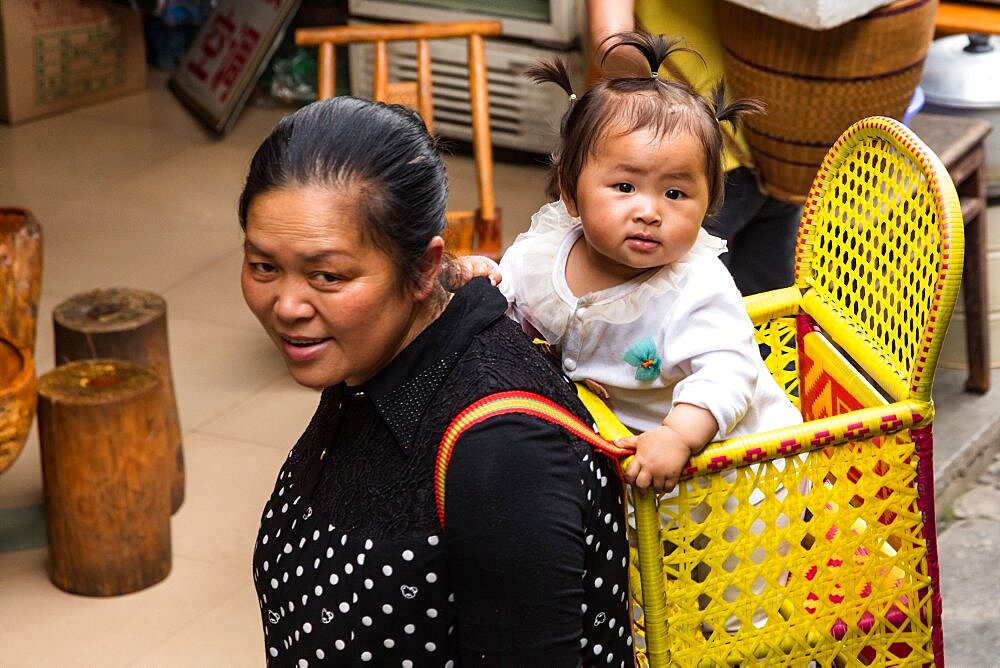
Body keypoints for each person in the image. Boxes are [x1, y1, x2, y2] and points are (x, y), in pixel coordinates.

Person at [240, 96, 634, 666]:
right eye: (263, 267)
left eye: (328, 275)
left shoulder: (503, 448)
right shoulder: (368, 354)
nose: (287, 305)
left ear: (424, 268)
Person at [481, 32, 802, 494]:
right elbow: (505, 300)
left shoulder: (695, 285)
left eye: (675, 193)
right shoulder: (543, 252)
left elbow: (730, 370)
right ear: (570, 192)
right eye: (625, 187)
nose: (649, 211)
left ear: (709, 204)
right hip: (611, 447)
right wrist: (479, 278)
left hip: (724, 473)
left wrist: (678, 434)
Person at [586, 0, 801, 297]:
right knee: (764, 310)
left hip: (692, 153)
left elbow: (613, 44)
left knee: (679, 302)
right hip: (774, 145)